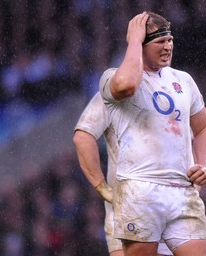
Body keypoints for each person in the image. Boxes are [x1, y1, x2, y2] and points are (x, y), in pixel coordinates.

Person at [97, 11, 206, 256]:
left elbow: (204, 128)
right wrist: (133, 41)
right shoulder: (112, 78)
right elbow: (127, 85)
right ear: (140, 44)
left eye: (170, 40)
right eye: (160, 41)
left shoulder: (183, 80)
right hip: (140, 189)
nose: (168, 46)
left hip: (183, 191)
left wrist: (204, 165)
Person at [73, 92, 173, 256]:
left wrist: (102, 188)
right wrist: (102, 188)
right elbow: (82, 138)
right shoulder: (109, 94)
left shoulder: (172, 91)